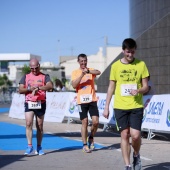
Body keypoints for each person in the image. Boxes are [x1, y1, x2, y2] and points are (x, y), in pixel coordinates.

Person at [103, 38, 149, 170]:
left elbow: (146, 87)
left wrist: (139, 90)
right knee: (124, 135)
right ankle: (128, 166)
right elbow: (111, 87)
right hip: (120, 106)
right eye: (128, 52)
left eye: (133, 52)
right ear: (123, 51)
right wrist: (106, 107)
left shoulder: (141, 64)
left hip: (136, 106)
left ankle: (136, 154)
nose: (130, 55)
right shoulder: (115, 66)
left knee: (135, 136)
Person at [19, 58, 53, 155]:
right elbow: (20, 89)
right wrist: (29, 89)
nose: (34, 70)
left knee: (40, 125)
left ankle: (39, 147)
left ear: (39, 66)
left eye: (36, 68)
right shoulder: (25, 77)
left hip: (40, 102)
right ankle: (29, 146)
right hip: (29, 102)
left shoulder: (45, 76)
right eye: (32, 68)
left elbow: (50, 86)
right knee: (29, 123)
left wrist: (39, 88)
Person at [71, 53, 101, 153]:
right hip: (81, 101)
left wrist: (88, 71)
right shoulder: (75, 72)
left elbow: (98, 72)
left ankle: (91, 137)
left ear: (86, 61)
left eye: (85, 61)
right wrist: (82, 75)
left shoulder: (90, 70)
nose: (83, 63)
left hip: (92, 100)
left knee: (96, 122)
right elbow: (74, 85)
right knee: (85, 122)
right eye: (81, 61)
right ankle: (84, 144)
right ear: (78, 62)